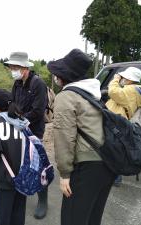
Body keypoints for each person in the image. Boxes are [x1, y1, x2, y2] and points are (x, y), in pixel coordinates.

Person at [47, 49, 116, 225]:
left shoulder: (66, 96)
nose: (56, 77)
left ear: (64, 76)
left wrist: (64, 174)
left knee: (73, 218)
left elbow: (64, 138)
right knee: (93, 217)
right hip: (107, 162)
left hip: (86, 167)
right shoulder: (93, 93)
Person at [4, 52, 49, 219]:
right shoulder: (17, 83)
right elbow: (12, 102)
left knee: (38, 165)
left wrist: (21, 120)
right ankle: (22, 190)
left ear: (25, 68)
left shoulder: (38, 84)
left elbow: (38, 110)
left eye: (15, 68)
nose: (12, 70)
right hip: (19, 128)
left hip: (34, 130)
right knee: (21, 162)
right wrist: (10, 109)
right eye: (11, 68)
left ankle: (43, 200)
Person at [0, 89, 29, 225]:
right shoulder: (22, 121)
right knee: (18, 216)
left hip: (5, 180)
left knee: (3, 217)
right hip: (23, 178)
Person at [105, 66, 141, 186]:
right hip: (119, 121)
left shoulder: (131, 90)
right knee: (116, 148)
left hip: (115, 122)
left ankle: (115, 178)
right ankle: (115, 177)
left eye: (123, 77)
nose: (121, 78)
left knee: (113, 149)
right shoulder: (135, 90)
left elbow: (112, 91)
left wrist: (116, 78)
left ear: (129, 79)